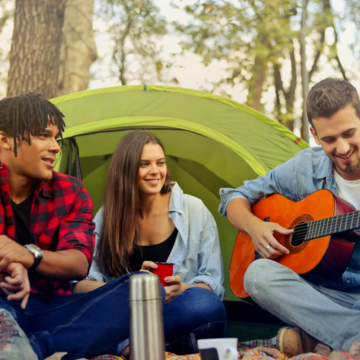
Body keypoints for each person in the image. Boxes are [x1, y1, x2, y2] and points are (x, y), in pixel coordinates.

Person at [219, 78, 360, 356]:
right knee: (256, 275)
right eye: (329, 139)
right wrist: (255, 227)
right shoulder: (304, 167)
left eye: (349, 133)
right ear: (314, 134)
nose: (342, 148)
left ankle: (324, 338)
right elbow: (233, 197)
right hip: (322, 296)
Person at [0, 93, 142, 360]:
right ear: (4, 139)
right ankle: (100, 341)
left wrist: (28, 256)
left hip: (53, 308)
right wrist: (11, 263)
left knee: (143, 288)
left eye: (56, 137)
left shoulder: (70, 190)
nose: (55, 146)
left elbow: (78, 263)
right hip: (2, 306)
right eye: (44, 135)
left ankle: (37, 348)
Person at [75, 130, 227, 354]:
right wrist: (130, 285)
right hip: (130, 311)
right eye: (144, 164)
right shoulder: (109, 215)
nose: (155, 171)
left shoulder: (194, 209)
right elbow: (82, 284)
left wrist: (184, 289)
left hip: (179, 311)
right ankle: (161, 345)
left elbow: (213, 283)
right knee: (77, 307)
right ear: (126, 169)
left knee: (206, 304)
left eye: (160, 163)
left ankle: (128, 344)